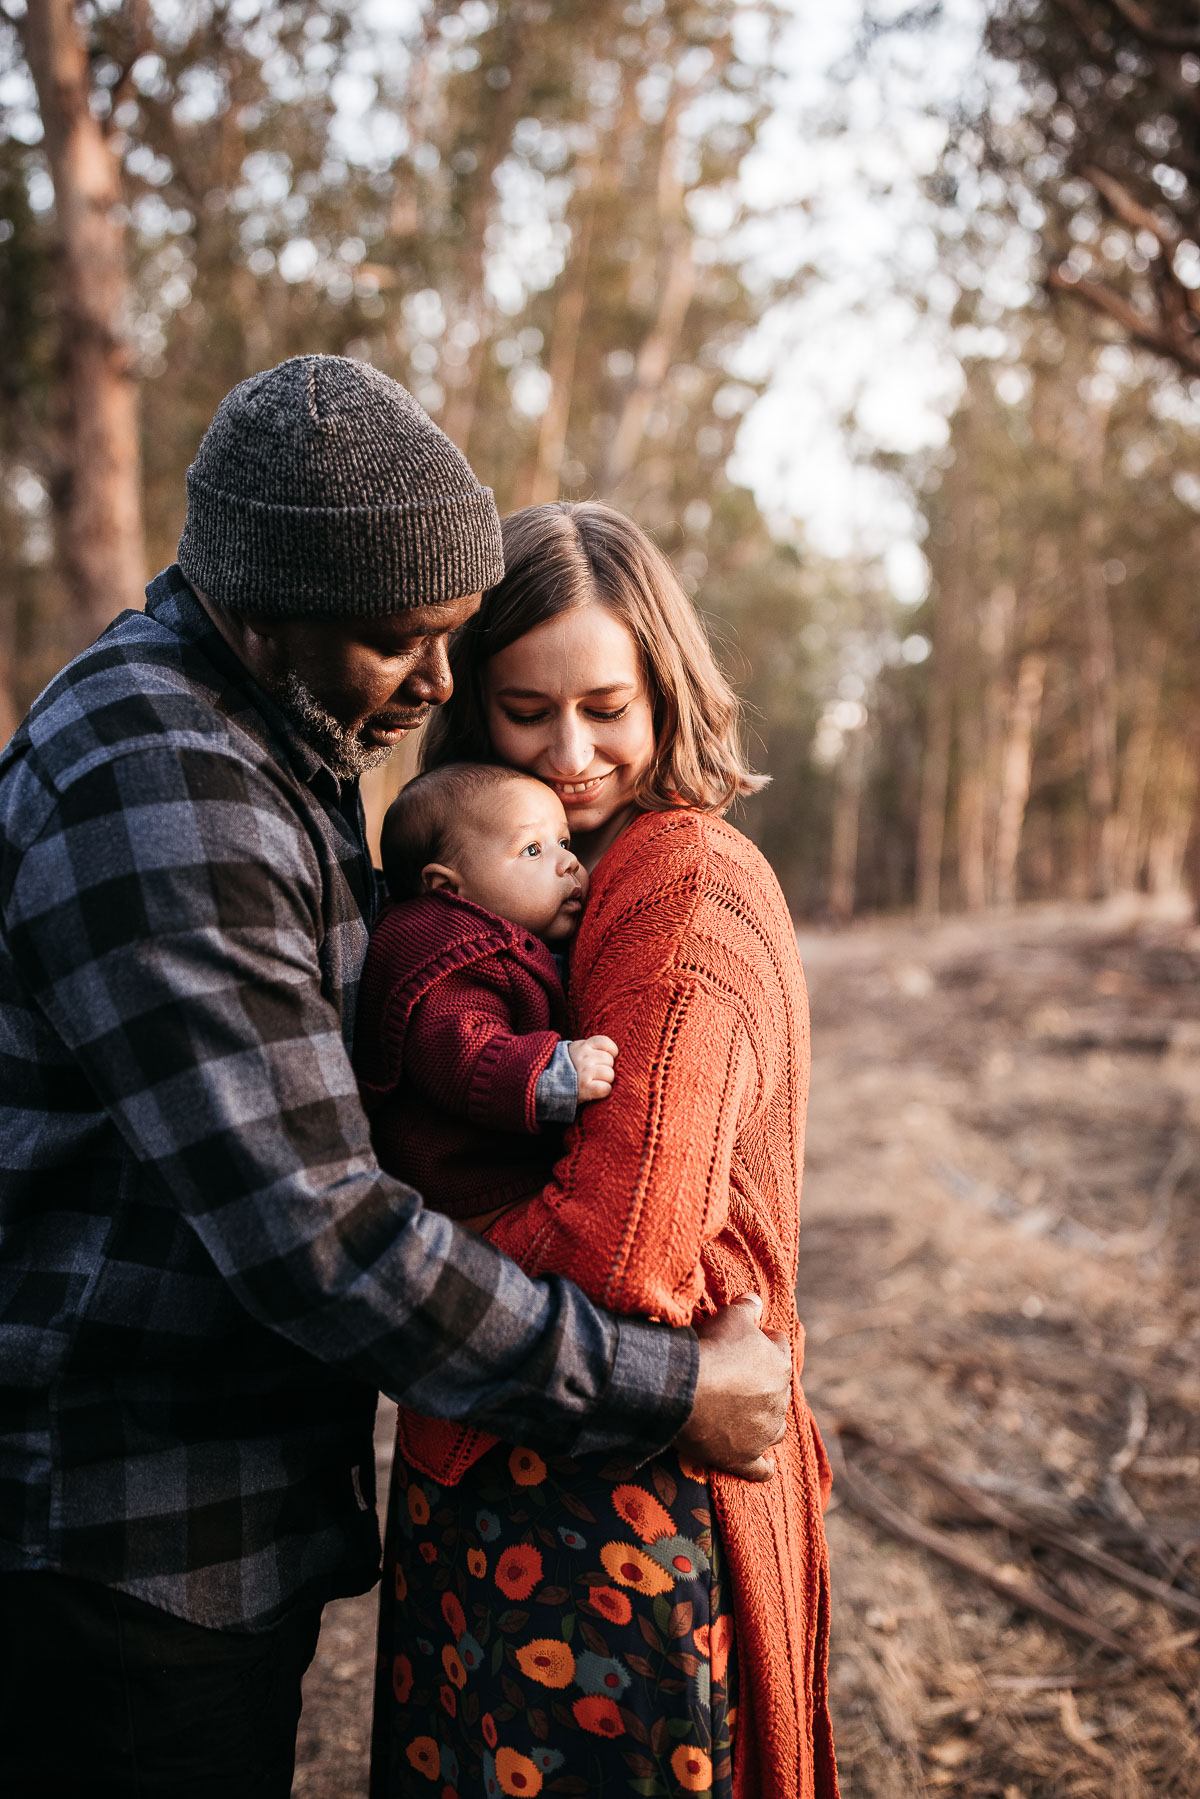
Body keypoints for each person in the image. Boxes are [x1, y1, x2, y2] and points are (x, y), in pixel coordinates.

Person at [0, 358, 791, 1799]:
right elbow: (317, 1230)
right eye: (397, 644)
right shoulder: (164, 780)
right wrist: (669, 1387)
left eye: (446, 639)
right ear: (262, 608)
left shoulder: (271, 738)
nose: (436, 686)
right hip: (126, 1537)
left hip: (211, 1509)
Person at [372, 502, 839, 1799]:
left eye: (607, 707)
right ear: (473, 705)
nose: (572, 754)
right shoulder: (519, 884)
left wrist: (405, 1271)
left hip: (620, 1504)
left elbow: (622, 1246)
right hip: (530, 1444)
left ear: (667, 693)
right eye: (527, 711)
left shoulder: (678, 882)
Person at [355, 762, 617, 1219]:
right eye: (532, 849)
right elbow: (456, 1049)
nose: (569, 863)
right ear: (447, 888)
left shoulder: (504, 933)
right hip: (467, 1193)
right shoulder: (448, 955)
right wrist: (554, 1073)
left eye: (563, 843)